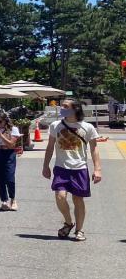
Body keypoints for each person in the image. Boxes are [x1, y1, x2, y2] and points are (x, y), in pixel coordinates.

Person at [43, 98, 102, 242]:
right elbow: (50, 147)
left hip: (79, 168)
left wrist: (97, 169)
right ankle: (69, 222)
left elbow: (94, 149)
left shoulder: (87, 127)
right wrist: (45, 166)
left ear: (75, 109)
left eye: (65, 106)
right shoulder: (55, 125)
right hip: (61, 168)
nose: (61, 108)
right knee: (60, 196)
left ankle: (79, 230)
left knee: (78, 199)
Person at [0, 114, 20, 211]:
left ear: (6, 121)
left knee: (10, 177)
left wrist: (1, 135)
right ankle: (4, 200)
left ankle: (13, 199)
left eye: (0, 121)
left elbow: (11, 144)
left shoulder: (13, 129)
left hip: (9, 153)